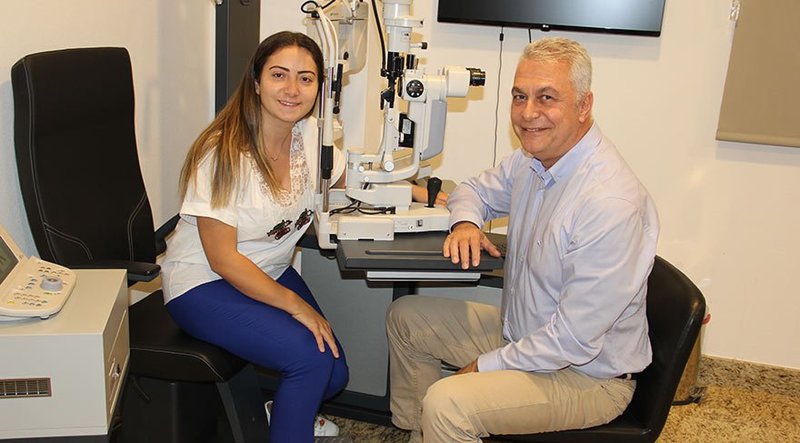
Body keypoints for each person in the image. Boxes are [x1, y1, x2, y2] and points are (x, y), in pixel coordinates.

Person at [386, 37, 660, 442]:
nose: (528, 113)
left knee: (448, 403)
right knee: (408, 318)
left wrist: (483, 366)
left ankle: (440, 427)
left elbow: (571, 341)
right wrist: (466, 224)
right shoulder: (534, 159)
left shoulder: (609, 203)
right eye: (520, 96)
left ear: (583, 105)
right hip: (527, 336)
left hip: (586, 375)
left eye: (546, 97)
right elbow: (472, 192)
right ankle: (423, 435)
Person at [161, 31, 346, 443]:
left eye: (305, 78)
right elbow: (223, 259)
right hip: (203, 283)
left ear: (319, 88)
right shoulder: (222, 153)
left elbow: (353, 182)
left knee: (335, 373)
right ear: (257, 82)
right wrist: (296, 305)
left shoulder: (312, 139)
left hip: (268, 271)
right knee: (310, 362)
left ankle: (285, 413)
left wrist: (427, 193)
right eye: (279, 75)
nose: (292, 89)